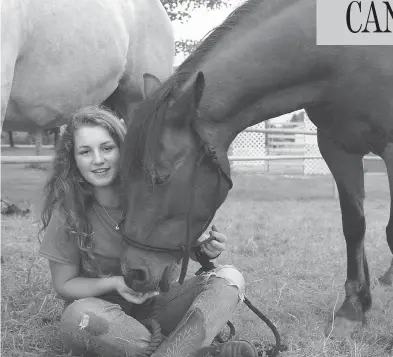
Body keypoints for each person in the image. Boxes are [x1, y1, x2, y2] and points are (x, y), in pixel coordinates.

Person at [39, 106, 257, 357]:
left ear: (124, 150)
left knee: (230, 278)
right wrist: (115, 283)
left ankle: (175, 352)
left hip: (158, 305)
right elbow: (64, 285)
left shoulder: (153, 195)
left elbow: (174, 248)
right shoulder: (68, 211)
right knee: (78, 315)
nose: (98, 159)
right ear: (73, 159)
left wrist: (201, 249)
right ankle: (190, 350)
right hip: (105, 316)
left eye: (107, 148)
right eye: (85, 151)